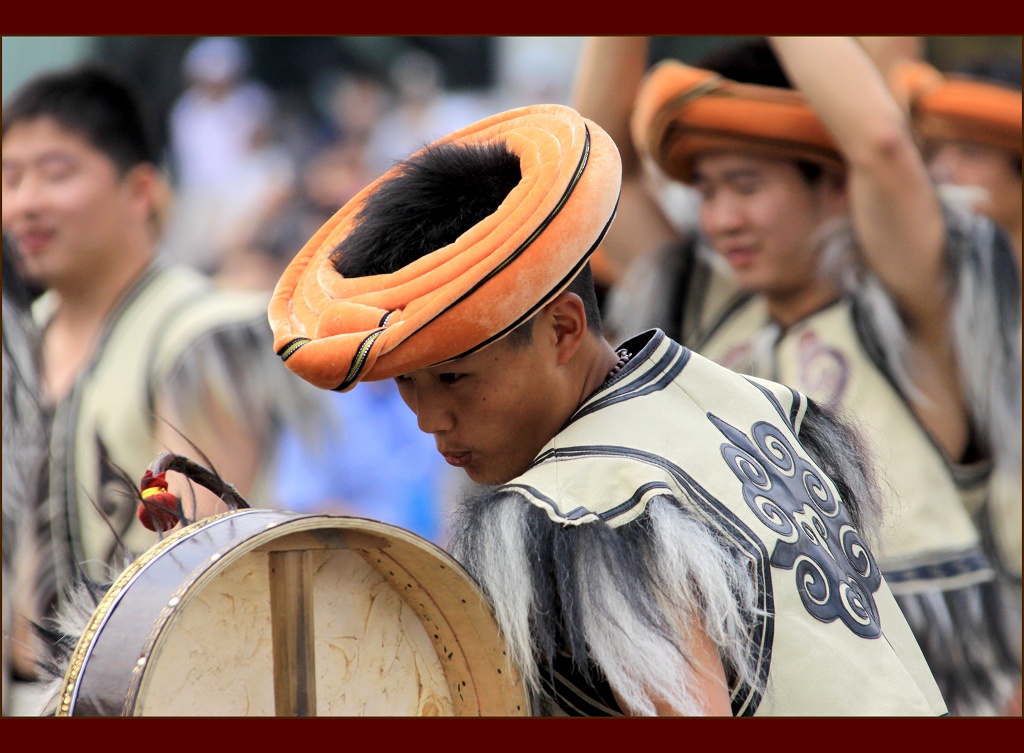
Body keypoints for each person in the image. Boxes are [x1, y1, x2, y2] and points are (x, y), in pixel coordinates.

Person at [267, 102, 947, 715]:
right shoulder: (744, 399)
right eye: (406, 383)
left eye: (454, 377)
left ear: (563, 328)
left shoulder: (579, 503)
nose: (429, 417)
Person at [573, 36, 1021, 715]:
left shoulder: (913, 310)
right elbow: (596, 180)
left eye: (747, 185)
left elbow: (879, 145)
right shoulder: (703, 305)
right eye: (708, 189)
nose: (722, 219)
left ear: (836, 186)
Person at [1, 62, 327, 709]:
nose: (25, 201)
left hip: (140, 700)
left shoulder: (200, 333)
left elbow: (186, 575)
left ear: (141, 190)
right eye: (10, 178)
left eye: (56, 172)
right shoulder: (20, 339)